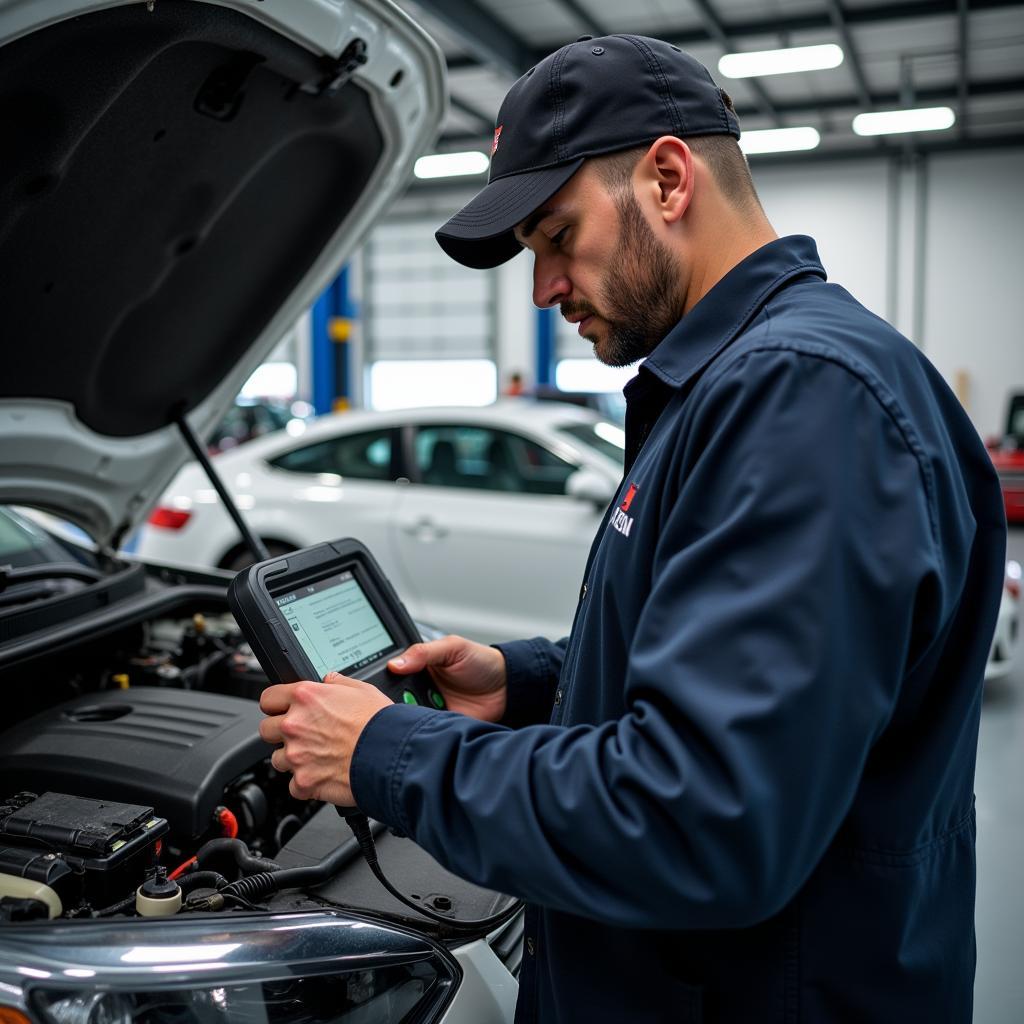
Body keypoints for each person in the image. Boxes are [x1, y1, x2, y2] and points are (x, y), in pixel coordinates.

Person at [258, 35, 1007, 1023]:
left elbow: (698, 821)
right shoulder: (743, 382)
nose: (542, 290)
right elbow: (735, 672)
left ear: (664, 178)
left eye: (556, 237)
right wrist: (527, 679)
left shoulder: (801, 397)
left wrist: (386, 754)